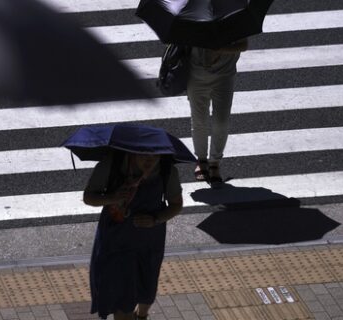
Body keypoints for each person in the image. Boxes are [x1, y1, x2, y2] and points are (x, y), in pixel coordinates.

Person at [83, 150, 183, 320]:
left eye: (155, 156)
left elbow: (176, 204)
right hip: (116, 241)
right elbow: (88, 197)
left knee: (147, 287)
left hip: (149, 240)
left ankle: (142, 315)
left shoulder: (167, 170)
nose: (149, 161)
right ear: (132, 153)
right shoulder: (112, 165)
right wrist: (112, 198)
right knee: (121, 298)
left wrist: (155, 219)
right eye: (144, 155)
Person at [187, 38, 248, 188]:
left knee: (221, 122)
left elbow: (243, 45)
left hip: (224, 77)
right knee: (199, 120)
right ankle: (201, 160)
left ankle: (214, 162)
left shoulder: (233, 19)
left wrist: (219, 48)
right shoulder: (193, 18)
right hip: (196, 75)